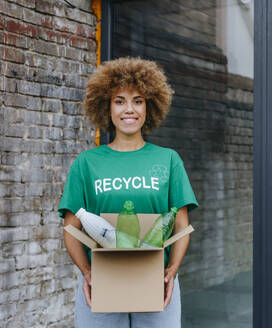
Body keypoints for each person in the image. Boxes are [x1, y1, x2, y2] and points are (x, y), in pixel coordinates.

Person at [58, 57, 198, 328]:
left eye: (138, 100)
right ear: (106, 107)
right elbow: (70, 228)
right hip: (103, 281)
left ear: (150, 106)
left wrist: (172, 272)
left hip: (156, 281)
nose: (129, 110)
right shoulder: (87, 163)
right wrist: (87, 273)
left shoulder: (168, 160)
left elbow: (182, 226)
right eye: (119, 101)